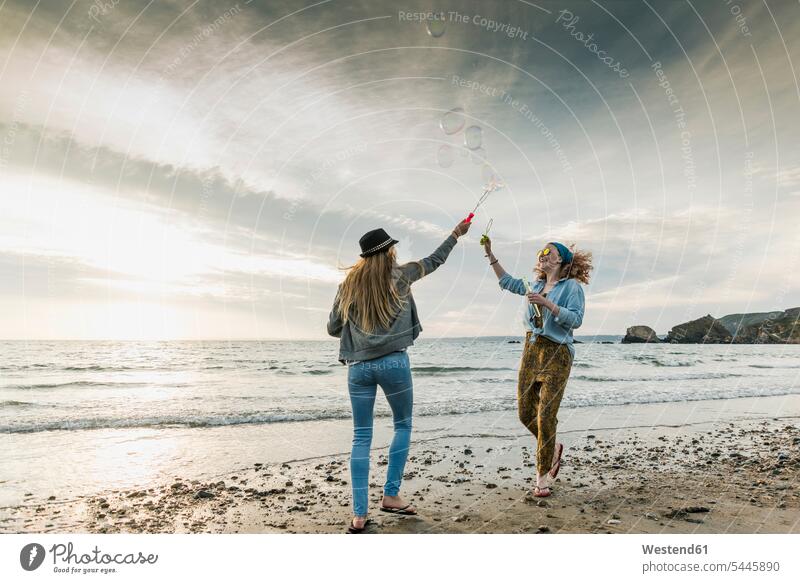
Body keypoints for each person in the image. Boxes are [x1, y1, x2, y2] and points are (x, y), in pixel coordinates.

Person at [327, 219, 472, 533]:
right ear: (388, 252)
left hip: (359, 368)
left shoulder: (347, 286)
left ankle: (359, 515)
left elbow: (332, 328)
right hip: (394, 364)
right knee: (402, 425)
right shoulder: (402, 275)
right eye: (392, 248)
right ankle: (391, 495)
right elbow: (435, 260)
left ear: (365, 256)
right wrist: (455, 235)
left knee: (361, 437)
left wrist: (359, 320)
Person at [482, 237, 592, 497]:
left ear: (560, 260)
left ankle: (541, 478)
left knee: (545, 417)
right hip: (531, 349)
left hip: (557, 353)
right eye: (540, 252)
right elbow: (507, 281)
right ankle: (552, 447)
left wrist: (548, 304)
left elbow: (576, 320)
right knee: (524, 412)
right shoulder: (535, 284)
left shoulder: (571, 287)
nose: (542, 255)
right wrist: (489, 253)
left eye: (548, 252)